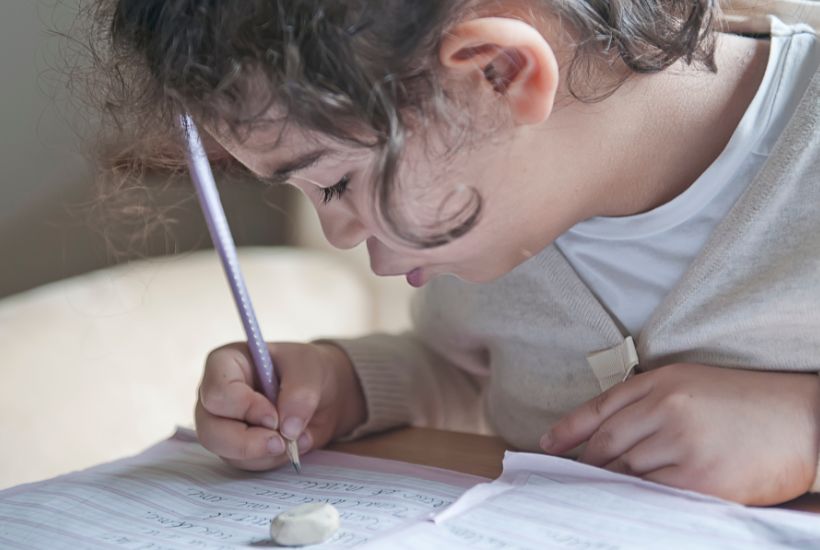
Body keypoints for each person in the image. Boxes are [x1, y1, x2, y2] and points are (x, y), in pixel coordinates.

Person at [95, 1, 819, 505]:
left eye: (338, 181)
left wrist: (806, 432)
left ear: (498, 72)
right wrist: (344, 386)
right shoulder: (495, 240)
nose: (339, 234)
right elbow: (478, 379)